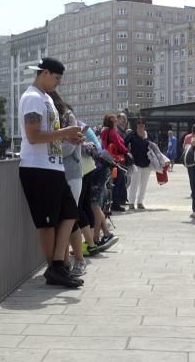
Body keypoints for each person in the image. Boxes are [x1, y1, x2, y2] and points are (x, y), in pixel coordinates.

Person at [19, 58, 85, 289]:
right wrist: (65, 131)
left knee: (69, 214)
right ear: (45, 73)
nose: (58, 83)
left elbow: (48, 134)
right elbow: (33, 136)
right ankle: (55, 269)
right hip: (37, 168)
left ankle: (58, 265)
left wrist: (68, 136)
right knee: (46, 224)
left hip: (53, 167)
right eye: (56, 78)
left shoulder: (45, 98)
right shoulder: (32, 98)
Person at [48, 90, 88, 278]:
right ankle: (64, 262)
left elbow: (70, 147)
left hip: (71, 173)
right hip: (56, 173)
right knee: (62, 219)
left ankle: (79, 260)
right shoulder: (51, 120)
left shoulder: (67, 117)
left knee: (70, 218)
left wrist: (48, 149)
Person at [100, 114, 129, 212]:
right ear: (112, 122)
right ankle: (115, 204)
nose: (116, 122)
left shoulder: (104, 131)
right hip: (115, 160)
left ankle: (110, 203)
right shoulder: (112, 132)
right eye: (115, 121)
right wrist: (127, 152)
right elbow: (119, 144)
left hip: (107, 159)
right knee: (118, 182)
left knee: (111, 183)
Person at [124, 118, 154, 210]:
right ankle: (131, 203)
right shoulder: (131, 135)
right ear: (136, 125)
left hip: (147, 163)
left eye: (142, 123)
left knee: (143, 184)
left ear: (145, 125)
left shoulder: (149, 135)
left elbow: (154, 146)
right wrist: (127, 155)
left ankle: (140, 202)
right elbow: (124, 144)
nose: (141, 125)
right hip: (135, 163)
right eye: (139, 123)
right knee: (134, 183)